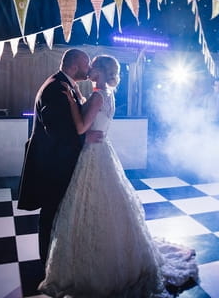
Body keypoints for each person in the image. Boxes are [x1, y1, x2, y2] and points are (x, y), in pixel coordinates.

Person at [39, 55, 198, 297]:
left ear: (101, 72)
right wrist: (81, 101)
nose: (89, 69)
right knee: (106, 204)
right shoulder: (106, 94)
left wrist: (73, 103)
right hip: (102, 151)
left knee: (91, 204)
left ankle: (94, 259)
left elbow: (82, 128)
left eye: (93, 67)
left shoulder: (97, 95)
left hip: (92, 153)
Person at [17, 48, 103, 265]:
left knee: (59, 211)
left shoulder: (65, 85)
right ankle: (47, 262)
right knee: (51, 213)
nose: (89, 68)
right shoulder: (55, 88)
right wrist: (85, 139)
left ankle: (59, 258)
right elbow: (55, 130)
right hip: (52, 164)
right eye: (86, 64)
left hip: (61, 161)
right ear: (74, 64)